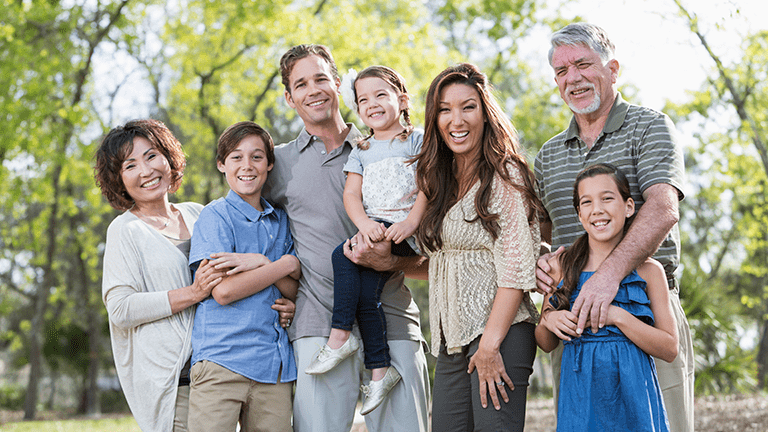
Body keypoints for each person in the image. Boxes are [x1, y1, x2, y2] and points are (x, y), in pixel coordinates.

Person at [534, 23, 694, 432]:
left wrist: (607, 278)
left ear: (612, 69)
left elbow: (661, 209)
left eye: (583, 64)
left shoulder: (650, 127)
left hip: (645, 310)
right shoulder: (548, 155)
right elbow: (543, 230)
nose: (573, 78)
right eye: (561, 71)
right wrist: (542, 266)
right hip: (574, 325)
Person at [262, 44, 430, 432]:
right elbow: (256, 229)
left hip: (391, 316)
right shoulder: (279, 163)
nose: (313, 89)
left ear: (339, 85)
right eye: (301, 84)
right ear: (289, 98)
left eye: (321, 78)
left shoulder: (395, 147)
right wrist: (278, 291)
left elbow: (437, 254)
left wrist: (394, 263)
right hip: (319, 323)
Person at [415, 63, 542, 432]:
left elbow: (518, 268)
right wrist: (386, 262)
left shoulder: (506, 175)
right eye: (445, 109)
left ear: (486, 114)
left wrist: (489, 346)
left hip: (500, 335)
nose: (457, 119)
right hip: (451, 339)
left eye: (468, 106)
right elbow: (439, 260)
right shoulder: (437, 181)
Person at [304, 65, 426, 415]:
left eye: (380, 95)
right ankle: (379, 372)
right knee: (362, 290)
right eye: (362, 99)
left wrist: (411, 223)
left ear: (401, 100)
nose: (371, 104)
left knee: (348, 264)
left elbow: (428, 187)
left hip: (404, 233)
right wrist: (363, 224)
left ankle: (340, 338)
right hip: (375, 229)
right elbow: (351, 196)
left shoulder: (417, 140)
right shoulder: (361, 148)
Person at [95, 119, 228, 432]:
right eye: (130, 165)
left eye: (151, 156)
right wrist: (192, 293)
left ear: (169, 158)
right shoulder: (125, 230)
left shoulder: (200, 213)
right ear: (119, 179)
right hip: (174, 383)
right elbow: (121, 309)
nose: (145, 171)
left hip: (223, 373)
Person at [535, 163, 678, 431]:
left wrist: (617, 316)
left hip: (635, 399)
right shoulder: (562, 265)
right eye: (586, 202)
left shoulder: (649, 271)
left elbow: (669, 348)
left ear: (629, 207)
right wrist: (549, 321)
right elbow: (545, 343)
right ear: (579, 214)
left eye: (607, 198)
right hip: (580, 399)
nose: (597, 209)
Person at [186, 121, 301, 432]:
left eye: (257, 157)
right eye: (236, 157)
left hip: (273, 367)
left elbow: (292, 291)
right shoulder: (215, 217)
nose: (246, 166)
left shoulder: (281, 221)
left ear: (270, 164)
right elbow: (223, 292)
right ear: (222, 165)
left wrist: (263, 264)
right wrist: (280, 263)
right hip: (222, 361)